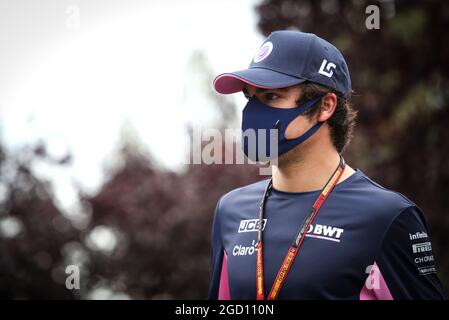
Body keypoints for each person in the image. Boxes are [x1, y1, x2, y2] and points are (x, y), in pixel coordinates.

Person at [207, 30, 445, 300]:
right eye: (250, 98)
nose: (253, 113)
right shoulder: (231, 210)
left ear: (325, 106)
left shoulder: (388, 217)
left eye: (271, 97)